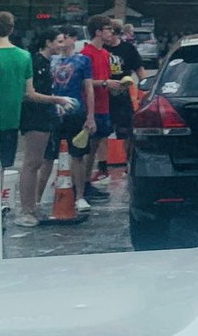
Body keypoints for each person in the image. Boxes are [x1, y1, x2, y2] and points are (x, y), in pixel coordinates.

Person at [0, 11, 70, 239]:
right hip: (12, 120)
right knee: (0, 168)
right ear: (12, 30)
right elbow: (30, 92)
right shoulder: (25, 56)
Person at [14, 27, 67, 227]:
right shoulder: (36, 62)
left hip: (44, 115)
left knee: (37, 163)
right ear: (48, 42)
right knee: (32, 162)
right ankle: (26, 208)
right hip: (35, 116)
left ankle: (32, 205)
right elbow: (30, 93)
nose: (61, 46)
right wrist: (57, 100)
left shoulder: (45, 62)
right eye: (59, 42)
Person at [46, 25, 96, 213]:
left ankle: (80, 195)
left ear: (73, 39)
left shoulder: (83, 60)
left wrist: (91, 116)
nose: (63, 42)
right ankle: (40, 196)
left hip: (75, 112)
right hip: (54, 113)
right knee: (49, 156)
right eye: (60, 38)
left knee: (78, 154)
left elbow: (89, 88)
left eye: (66, 38)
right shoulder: (51, 59)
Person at [103, 18, 145, 184]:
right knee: (101, 134)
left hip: (122, 97)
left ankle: (129, 163)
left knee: (127, 132)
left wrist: (145, 89)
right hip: (102, 95)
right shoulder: (101, 49)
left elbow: (140, 70)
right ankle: (102, 167)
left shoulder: (128, 49)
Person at [80, 15, 119, 198]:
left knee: (95, 147)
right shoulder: (87, 54)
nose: (112, 32)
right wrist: (105, 83)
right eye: (108, 29)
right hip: (91, 107)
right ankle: (82, 184)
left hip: (104, 105)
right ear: (98, 32)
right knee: (88, 148)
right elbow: (84, 82)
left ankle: (87, 182)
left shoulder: (105, 54)